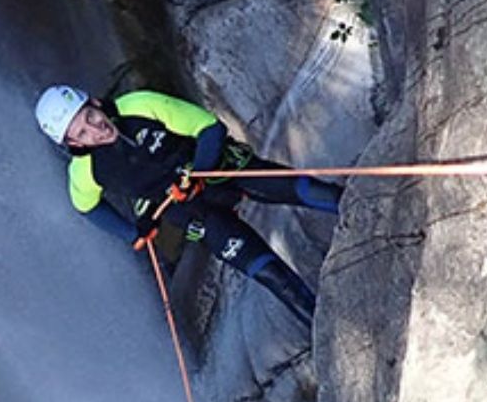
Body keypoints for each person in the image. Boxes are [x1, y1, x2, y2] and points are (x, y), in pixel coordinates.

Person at [33, 84, 343, 326]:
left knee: (312, 192)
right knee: (271, 277)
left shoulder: (139, 105)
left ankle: (371, 207)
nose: (96, 130)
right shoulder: (85, 173)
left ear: (95, 103)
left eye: (90, 117)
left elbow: (209, 128)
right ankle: (328, 336)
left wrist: (196, 174)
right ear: (75, 144)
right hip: (194, 214)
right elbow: (86, 208)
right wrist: (133, 234)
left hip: (221, 170)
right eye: (82, 134)